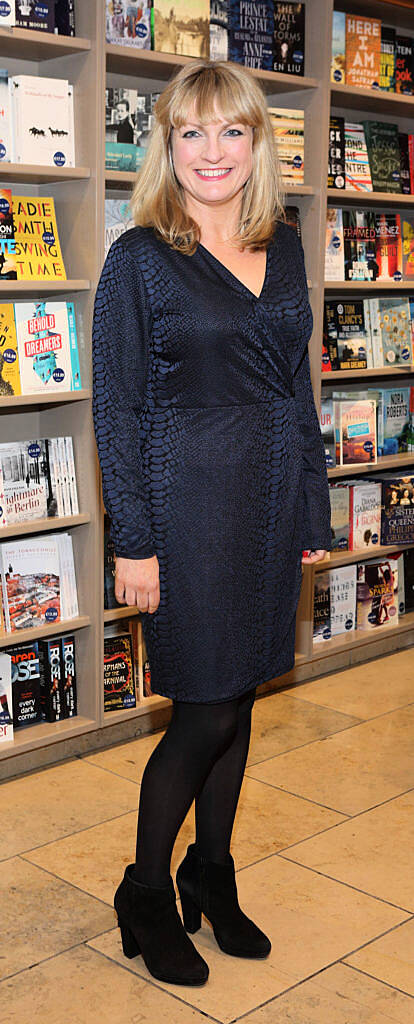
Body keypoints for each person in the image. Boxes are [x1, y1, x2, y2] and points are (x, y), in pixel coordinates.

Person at [92, 59, 331, 989]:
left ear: (257, 142)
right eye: (191, 132)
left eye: (231, 130)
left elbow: (296, 389)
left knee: (238, 706)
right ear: (167, 146)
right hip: (184, 508)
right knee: (198, 714)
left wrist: (310, 502)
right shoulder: (141, 258)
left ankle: (212, 873)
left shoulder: (289, 239)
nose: (212, 151)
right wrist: (135, 542)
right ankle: (146, 889)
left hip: (270, 500)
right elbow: (116, 409)